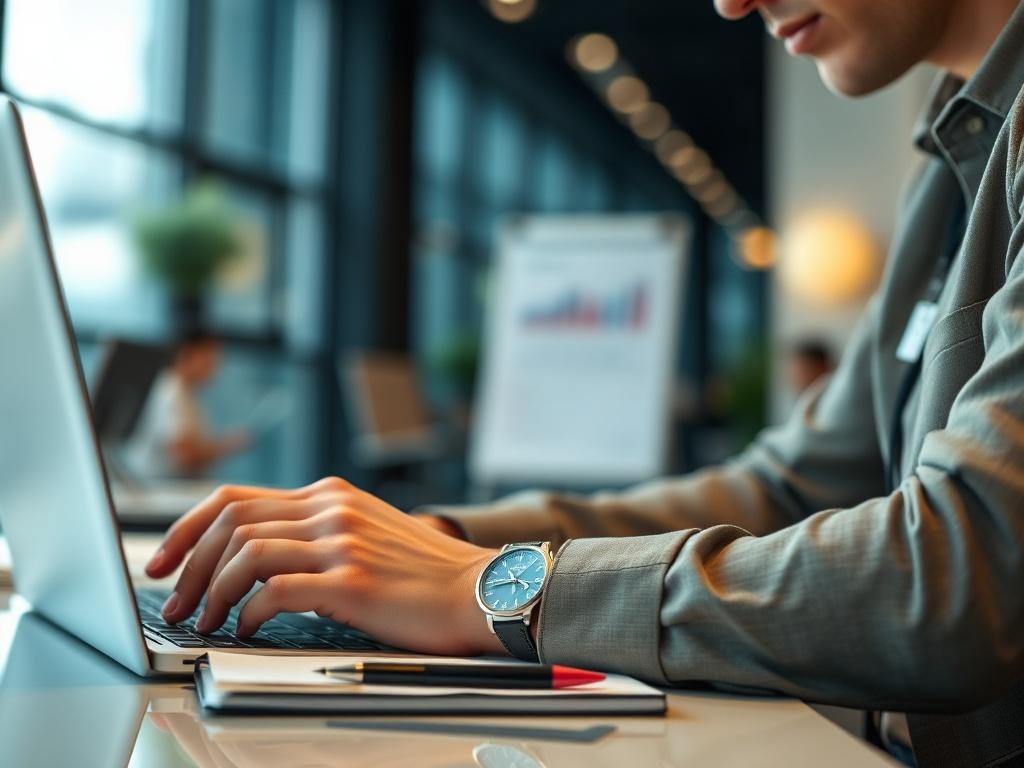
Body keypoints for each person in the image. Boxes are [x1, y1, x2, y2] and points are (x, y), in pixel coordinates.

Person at [145, 0, 1024, 762]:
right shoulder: (949, 173)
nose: (730, 4)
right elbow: (783, 487)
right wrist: (430, 545)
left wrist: (494, 586)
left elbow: (955, 579)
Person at [127, 333, 250, 479]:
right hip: (166, 488)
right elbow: (184, 456)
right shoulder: (172, 392)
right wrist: (228, 445)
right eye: (209, 359)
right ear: (187, 354)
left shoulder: (181, 391)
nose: (215, 368)